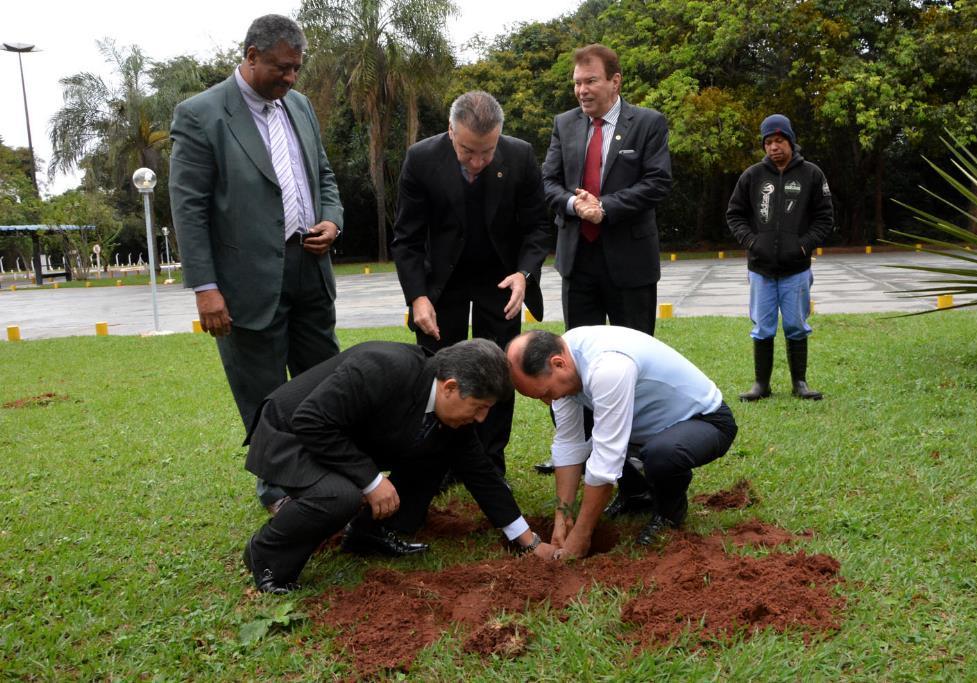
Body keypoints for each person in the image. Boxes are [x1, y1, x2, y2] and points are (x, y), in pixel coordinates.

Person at [169, 15, 344, 513]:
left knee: (324, 378)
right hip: (245, 281)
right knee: (263, 389)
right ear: (250, 55)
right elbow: (189, 207)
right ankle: (276, 486)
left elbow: (323, 175)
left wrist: (331, 219)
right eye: (282, 68)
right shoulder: (201, 114)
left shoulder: (301, 106)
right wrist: (205, 287)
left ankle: (328, 472)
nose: (291, 78)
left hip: (310, 269)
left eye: (297, 69)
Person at [241, 338, 556, 594]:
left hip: (342, 436)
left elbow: (481, 473)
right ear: (449, 387)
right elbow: (310, 420)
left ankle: (368, 533)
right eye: (480, 407)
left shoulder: (448, 412)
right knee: (341, 495)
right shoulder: (384, 367)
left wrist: (527, 540)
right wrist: (371, 481)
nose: (481, 419)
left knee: (438, 450)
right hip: (289, 434)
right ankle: (265, 554)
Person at [392, 91, 551, 476]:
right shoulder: (421, 158)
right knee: (437, 371)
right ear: (450, 131)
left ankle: (490, 464)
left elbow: (538, 226)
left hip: (501, 280)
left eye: (487, 151)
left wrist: (524, 275)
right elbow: (407, 238)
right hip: (441, 283)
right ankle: (438, 464)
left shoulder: (520, 155)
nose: (478, 162)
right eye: (468, 151)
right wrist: (417, 297)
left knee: (499, 369)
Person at [534, 44, 671, 475]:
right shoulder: (565, 125)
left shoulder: (647, 123)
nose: (582, 90)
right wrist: (576, 208)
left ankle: (634, 457)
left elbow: (657, 182)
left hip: (629, 264)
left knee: (632, 362)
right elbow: (549, 182)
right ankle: (581, 450)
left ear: (615, 81)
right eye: (576, 82)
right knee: (577, 365)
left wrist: (606, 206)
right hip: (579, 262)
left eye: (590, 80)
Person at [507, 328, 737, 560]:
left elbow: (606, 459)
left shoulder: (609, 367)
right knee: (579, 422)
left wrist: (581, 534)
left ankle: (669, 514)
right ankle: (636, 495)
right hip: (643, 428)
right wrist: (562, 517)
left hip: (703, 421)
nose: (548, 400)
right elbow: (569, 444)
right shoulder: (564, 356)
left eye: (546, 392)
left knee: (661, 454)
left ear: (558, 364)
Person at [726, 114, 834, 401]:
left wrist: (803, 246)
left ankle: (800, 382)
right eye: (768, 142)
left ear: (791, 141)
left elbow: (825, 219)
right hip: (760, 269)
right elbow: (734, 214)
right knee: (762, 326)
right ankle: (762, 384)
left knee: (796, 325)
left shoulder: (812, 174)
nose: (774, 147)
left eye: (779, 141)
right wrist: (751, 241)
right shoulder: (751, 176)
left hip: (796, 269)